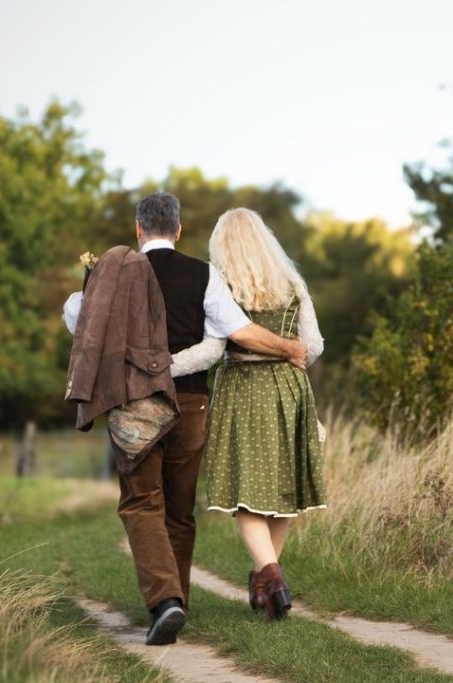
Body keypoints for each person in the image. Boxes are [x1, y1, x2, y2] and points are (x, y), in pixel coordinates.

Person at [62, 192, 308, 645]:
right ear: (178, 231)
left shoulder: (110, 275)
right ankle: (179, 603)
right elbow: (228, 338)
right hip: (191, 406)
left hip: (134, 405)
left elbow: (77, 319)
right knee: (179, 511)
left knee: (141, 504)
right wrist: (291, 348)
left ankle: (165, 602)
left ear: (138, 229)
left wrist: (139, 362)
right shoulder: (204, 275)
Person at [195, 207, 327, 621]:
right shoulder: (293, 284)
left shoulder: (221, 287)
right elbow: (314, 346)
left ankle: (274, 582)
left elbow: (214, 348)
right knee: (281, 496)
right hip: (288, 390)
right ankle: (265, 585)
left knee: (248, 500)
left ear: (223, 246)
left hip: (243, 392)